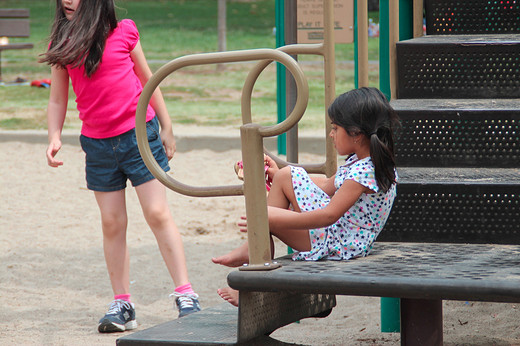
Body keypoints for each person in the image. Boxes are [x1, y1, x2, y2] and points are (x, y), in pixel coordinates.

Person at [40, 0, 200, 333]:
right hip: (97, 145)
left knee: (157, 213)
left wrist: (167, 127)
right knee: (112, 222)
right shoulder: (63, 44)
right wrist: (54, 135)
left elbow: (149, 81)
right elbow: (57, 98)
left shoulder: (123, 31)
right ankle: (122, 303)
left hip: (138, 136)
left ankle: (186, 295)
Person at [212, 87, 400, 306]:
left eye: (335, 128)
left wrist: (269, 217)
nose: (331, 134)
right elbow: (328, 185)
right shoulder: (361, 161)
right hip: (338, 233)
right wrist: (280, 173)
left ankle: (254, 283)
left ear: (356, 134)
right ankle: (253, 246)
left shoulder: (364, 171)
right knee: (286, 175)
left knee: (270, 213)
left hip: (338, 243)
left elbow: (328, 215)